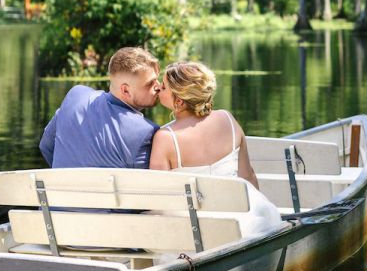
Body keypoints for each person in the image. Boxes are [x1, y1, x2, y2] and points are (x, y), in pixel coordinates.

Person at [149, 61, 283, 236]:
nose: (158, 88)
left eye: (164, 87)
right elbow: (248, 176)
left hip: (193, 230)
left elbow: (159, 195)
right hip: (241, 221)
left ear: (179, 101)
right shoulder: (227, 119)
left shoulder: (165, 137)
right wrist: (255, 212)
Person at [39, 47, 161, 168]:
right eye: (150, 83)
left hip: (60, 181)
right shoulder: (146, 132)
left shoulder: (75, 95)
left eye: (157, 80)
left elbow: (46, 145)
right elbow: (147, 179)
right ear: (125, 90)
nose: (158, 86)